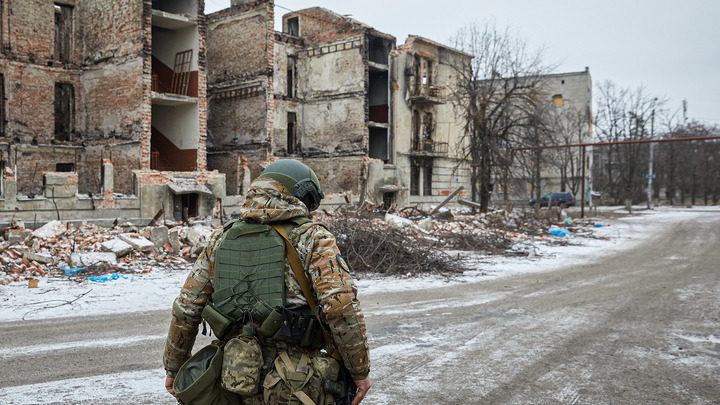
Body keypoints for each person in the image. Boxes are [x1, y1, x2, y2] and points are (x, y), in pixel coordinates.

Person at [163, 159, 371, 405]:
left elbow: (187, 308)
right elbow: (340, 307)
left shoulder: (220, 239)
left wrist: (174, 367)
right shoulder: (313, 238)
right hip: (296, 382)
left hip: (234, 376)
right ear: (301, 195)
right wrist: (360, 371)